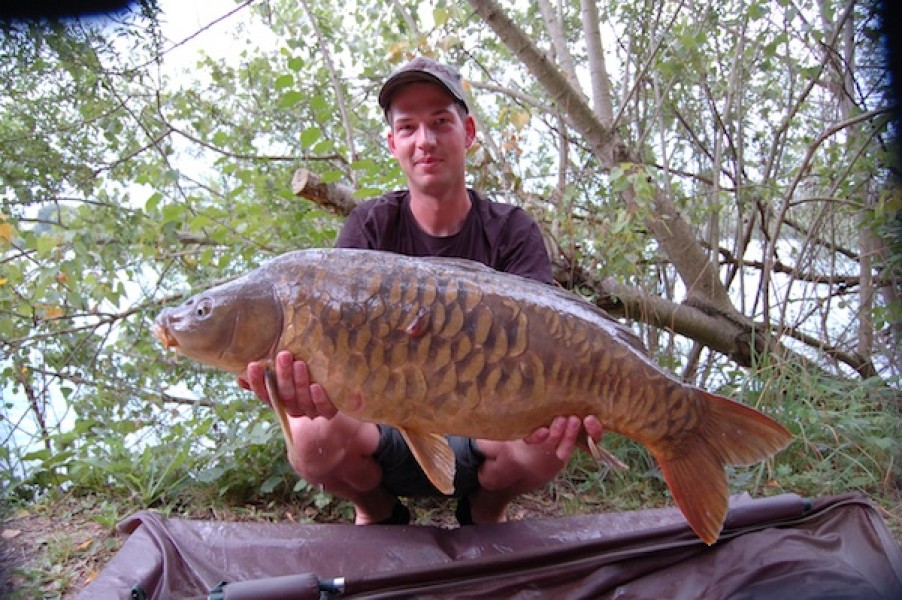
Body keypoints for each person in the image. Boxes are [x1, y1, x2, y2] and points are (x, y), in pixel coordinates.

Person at [240, 57, 603, 526]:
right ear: (393, 143)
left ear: (468, 132)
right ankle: (376, 511)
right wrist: (294, 384)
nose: (425, 140)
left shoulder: (511, 230)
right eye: (408, 127)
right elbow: (323, 362)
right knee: (311, 437)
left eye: (440, 122)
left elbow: (547, 345)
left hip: (485, 428)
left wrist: (571, 400)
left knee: (549, 443)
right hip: (381, 428)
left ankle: (486, 508)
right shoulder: (368, 227)